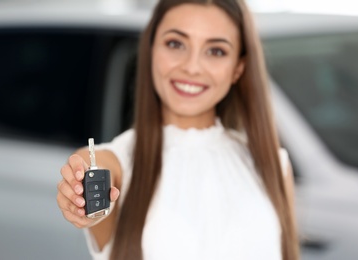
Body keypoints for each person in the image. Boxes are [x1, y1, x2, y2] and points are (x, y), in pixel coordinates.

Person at [56, 0, 300, 259]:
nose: (192, 67)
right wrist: (82, 202)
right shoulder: (112, 164)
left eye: (216, 51)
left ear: (238, 68)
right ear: (150, 49)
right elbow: (93, 191)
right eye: (175, 44)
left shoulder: (275, 165)